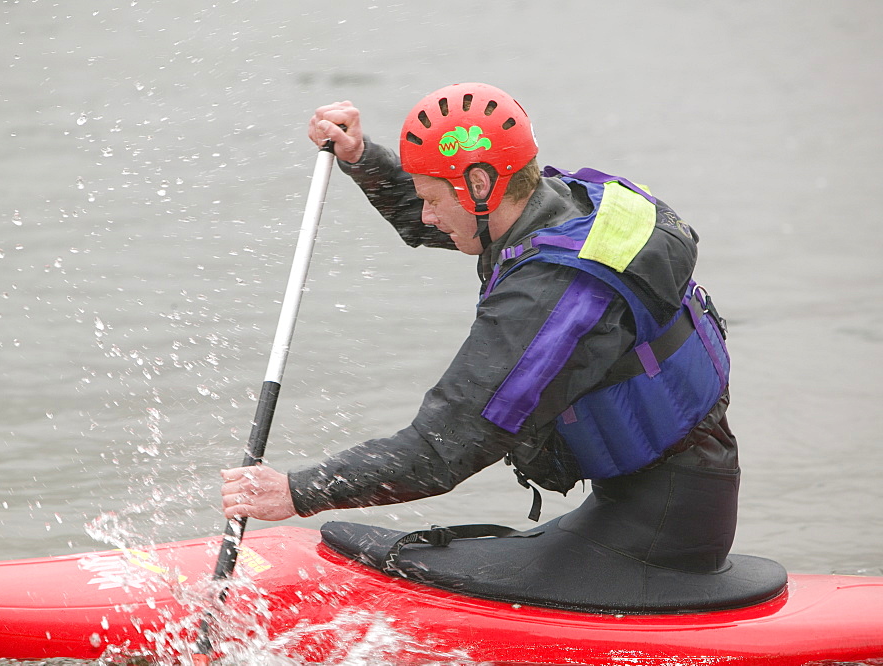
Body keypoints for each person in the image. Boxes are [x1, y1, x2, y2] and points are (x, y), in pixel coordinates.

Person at [221, 83, 742, 599]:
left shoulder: (552, 298)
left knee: (388, 558)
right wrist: (361, 158)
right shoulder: (563, 205)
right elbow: (453, 224)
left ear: (479, 184)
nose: (426, 215)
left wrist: (294, 491)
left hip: (658, 537)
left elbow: (442, 449)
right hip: (676, 497)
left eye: (431, 198)